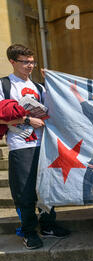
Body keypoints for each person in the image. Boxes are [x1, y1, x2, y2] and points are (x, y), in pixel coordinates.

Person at [0, 44, 70, 250]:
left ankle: (48, 225)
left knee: (47, 187)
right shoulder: (5, 85)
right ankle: (29, 231)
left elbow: (55, 110)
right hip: (20, 145)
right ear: (12, 62)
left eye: (32, 62)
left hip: (44, 144)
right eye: (25, 62)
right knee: (25, 191)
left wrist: (54, 82)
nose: (29, 66)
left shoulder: (40, 87)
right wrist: (26, 119)